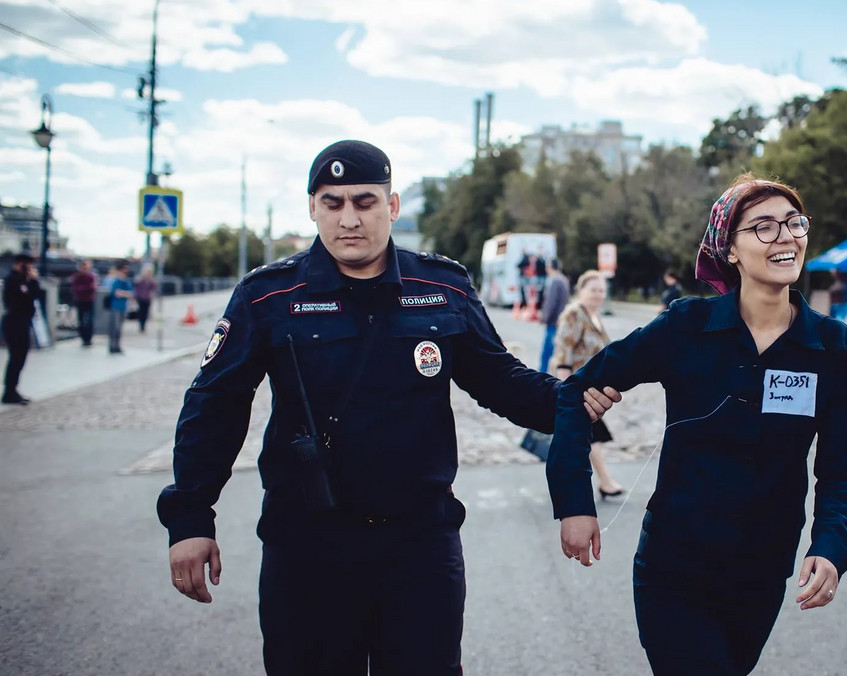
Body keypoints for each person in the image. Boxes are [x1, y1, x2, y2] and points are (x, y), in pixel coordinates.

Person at [156, 140, 620, 675]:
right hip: (308, 548)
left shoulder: (441, 288)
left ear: (392, 206)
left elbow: (499, 380)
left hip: (419, 545)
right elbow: (216, 405)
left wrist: (572, 401)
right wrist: (190, 517)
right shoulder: (268, 296)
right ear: (313, 208)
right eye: (333, 203)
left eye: (364, 201)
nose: (349, 219)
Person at [547, 174, 847, 675]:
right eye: (763, 227)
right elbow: (573, 392)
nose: (785, 237)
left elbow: (844, 471)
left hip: (761, 573)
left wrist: (833, 547)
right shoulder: (686, 327)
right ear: (731, 250)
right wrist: (574, 502)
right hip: (675, 567)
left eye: (793, 223)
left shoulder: (832, 347)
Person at [551, 269, 625, 499]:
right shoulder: (574, 314)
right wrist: (565, 390)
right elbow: (563, 350)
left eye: (601, 290)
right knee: (594, 436)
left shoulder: (595, 316)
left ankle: (571, 483)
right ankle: (604, 482)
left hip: (592, 388)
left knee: (583, 437)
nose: (598, 294)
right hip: (577, 387)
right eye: (593, 290)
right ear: (580, 290)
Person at [2, 253, 41, 405]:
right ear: (21, 264)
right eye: (28, 265)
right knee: (16, 357)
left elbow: (35, 296)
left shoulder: (26, 280)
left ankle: (13, 389)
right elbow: (18, 299)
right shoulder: (12, 279)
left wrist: (34, 281)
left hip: (24, 321)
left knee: (21, 356)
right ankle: (9, 391)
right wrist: (28, 285)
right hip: (14, 321)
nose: (30, 268)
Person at [539, 258, 569, 373]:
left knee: (547, 352)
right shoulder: (563, 279)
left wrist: (545, 318)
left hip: (553, 321)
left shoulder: (555, 281)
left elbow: (551, 303)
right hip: (560, 319)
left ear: (550, 267)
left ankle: (542, 374)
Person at [106, 261, 134, 354]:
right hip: (115, 307)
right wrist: (125, 293)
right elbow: (117, 293)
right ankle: (112, 345)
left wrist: (124, 293)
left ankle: (117, 345)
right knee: (115, 327)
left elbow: (130, 293)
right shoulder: (116, 281)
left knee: (119, 328)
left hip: (123, 307)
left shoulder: (126, 281)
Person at [69, 259, 98, 347]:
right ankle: (84, 337)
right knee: (81, 320)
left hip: (89, 300)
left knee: (89, 320)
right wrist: (86, 289)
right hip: (80, 300)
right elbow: (76, 288)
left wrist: (84, 289)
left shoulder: (91, 277)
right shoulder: (77, 277)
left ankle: (88, 338)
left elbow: (92, 287)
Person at [134, 264, 158, 333]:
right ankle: (141, 325)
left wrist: (153, 295)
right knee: (141, 312)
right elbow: (136, 287)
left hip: (147, 298)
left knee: (146, 312)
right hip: (141, 298)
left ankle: (143, 325)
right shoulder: (141, 279)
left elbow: (154, 289)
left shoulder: (151, 281)